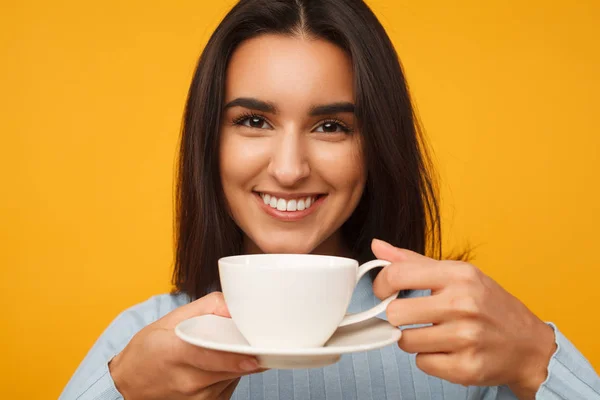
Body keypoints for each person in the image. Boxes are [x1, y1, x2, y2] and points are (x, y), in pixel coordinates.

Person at [60, 0, 600, 399]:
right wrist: (122, 392)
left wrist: (536, 358)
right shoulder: (141, 344)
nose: (291, 169)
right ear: (209, 141)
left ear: (377, 146)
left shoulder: (460, 340)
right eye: (253, 121)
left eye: (331, 126)